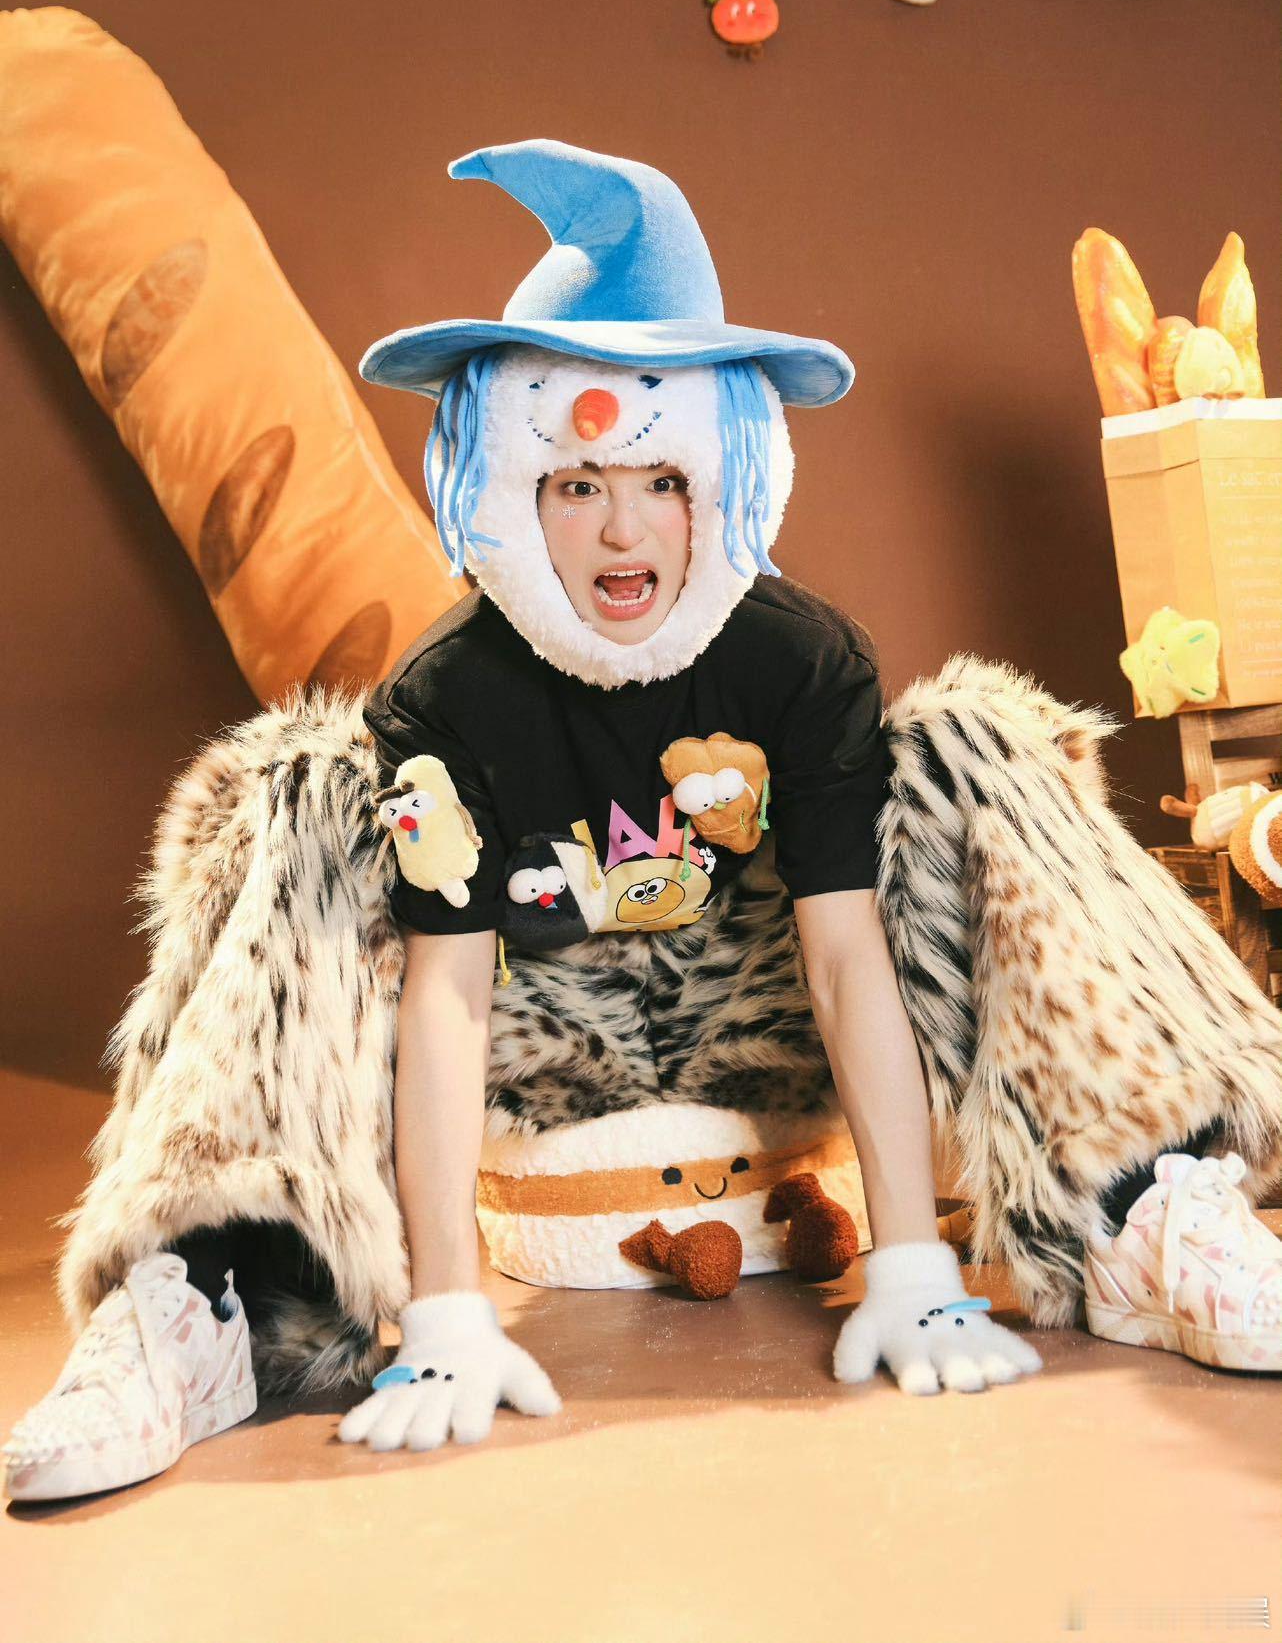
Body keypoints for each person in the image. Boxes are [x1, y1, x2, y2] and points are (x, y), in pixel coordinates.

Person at [6, 141, 1279, 1501]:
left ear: (721, 482)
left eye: (661, 481)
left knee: (979, 740)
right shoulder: (447, 696)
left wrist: (912, 1261)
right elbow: (445, 996)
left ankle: (1135, 1209)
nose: (625, 533)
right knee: (304, 783)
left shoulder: (802, 662)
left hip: (760, 1015)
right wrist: (445, 1310)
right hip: (540, 1032)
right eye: (578, 484)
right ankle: (215, 1296)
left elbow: (848, 955)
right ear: (513, 492)